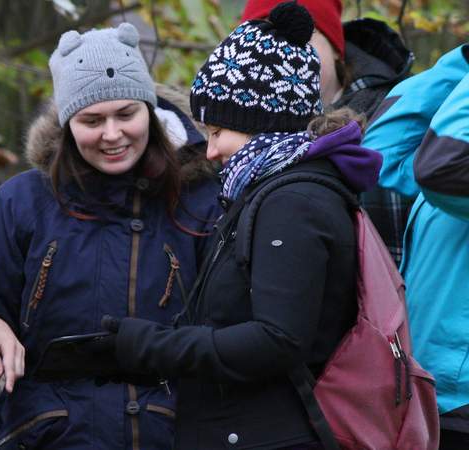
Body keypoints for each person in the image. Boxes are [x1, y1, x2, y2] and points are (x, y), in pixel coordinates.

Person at [104, 3, 382, 448]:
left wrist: (152, 347)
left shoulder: (293, 202)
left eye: (217, 131)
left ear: (260, 124)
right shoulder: (270, 191)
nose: (210, 151)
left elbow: (277, 339)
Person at [0, 23, 221, 449]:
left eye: (126, 114)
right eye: (91, 120)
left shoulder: (200, 199)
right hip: (44, 434)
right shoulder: (23, 201)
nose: (112, 135)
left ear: (149, 111)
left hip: (168, 433)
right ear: (67, 124)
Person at [241, 0, 414, 265]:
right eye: (264, 38)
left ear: (335, 47)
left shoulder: (395, 116)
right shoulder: (237, 136)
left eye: (297, 36)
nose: (281, 53)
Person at [362, 43, 469, 449]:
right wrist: (461, 61)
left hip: (459, 400)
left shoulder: (451, 166)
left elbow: (440, 169)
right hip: (430, 388)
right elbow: (380, 162)